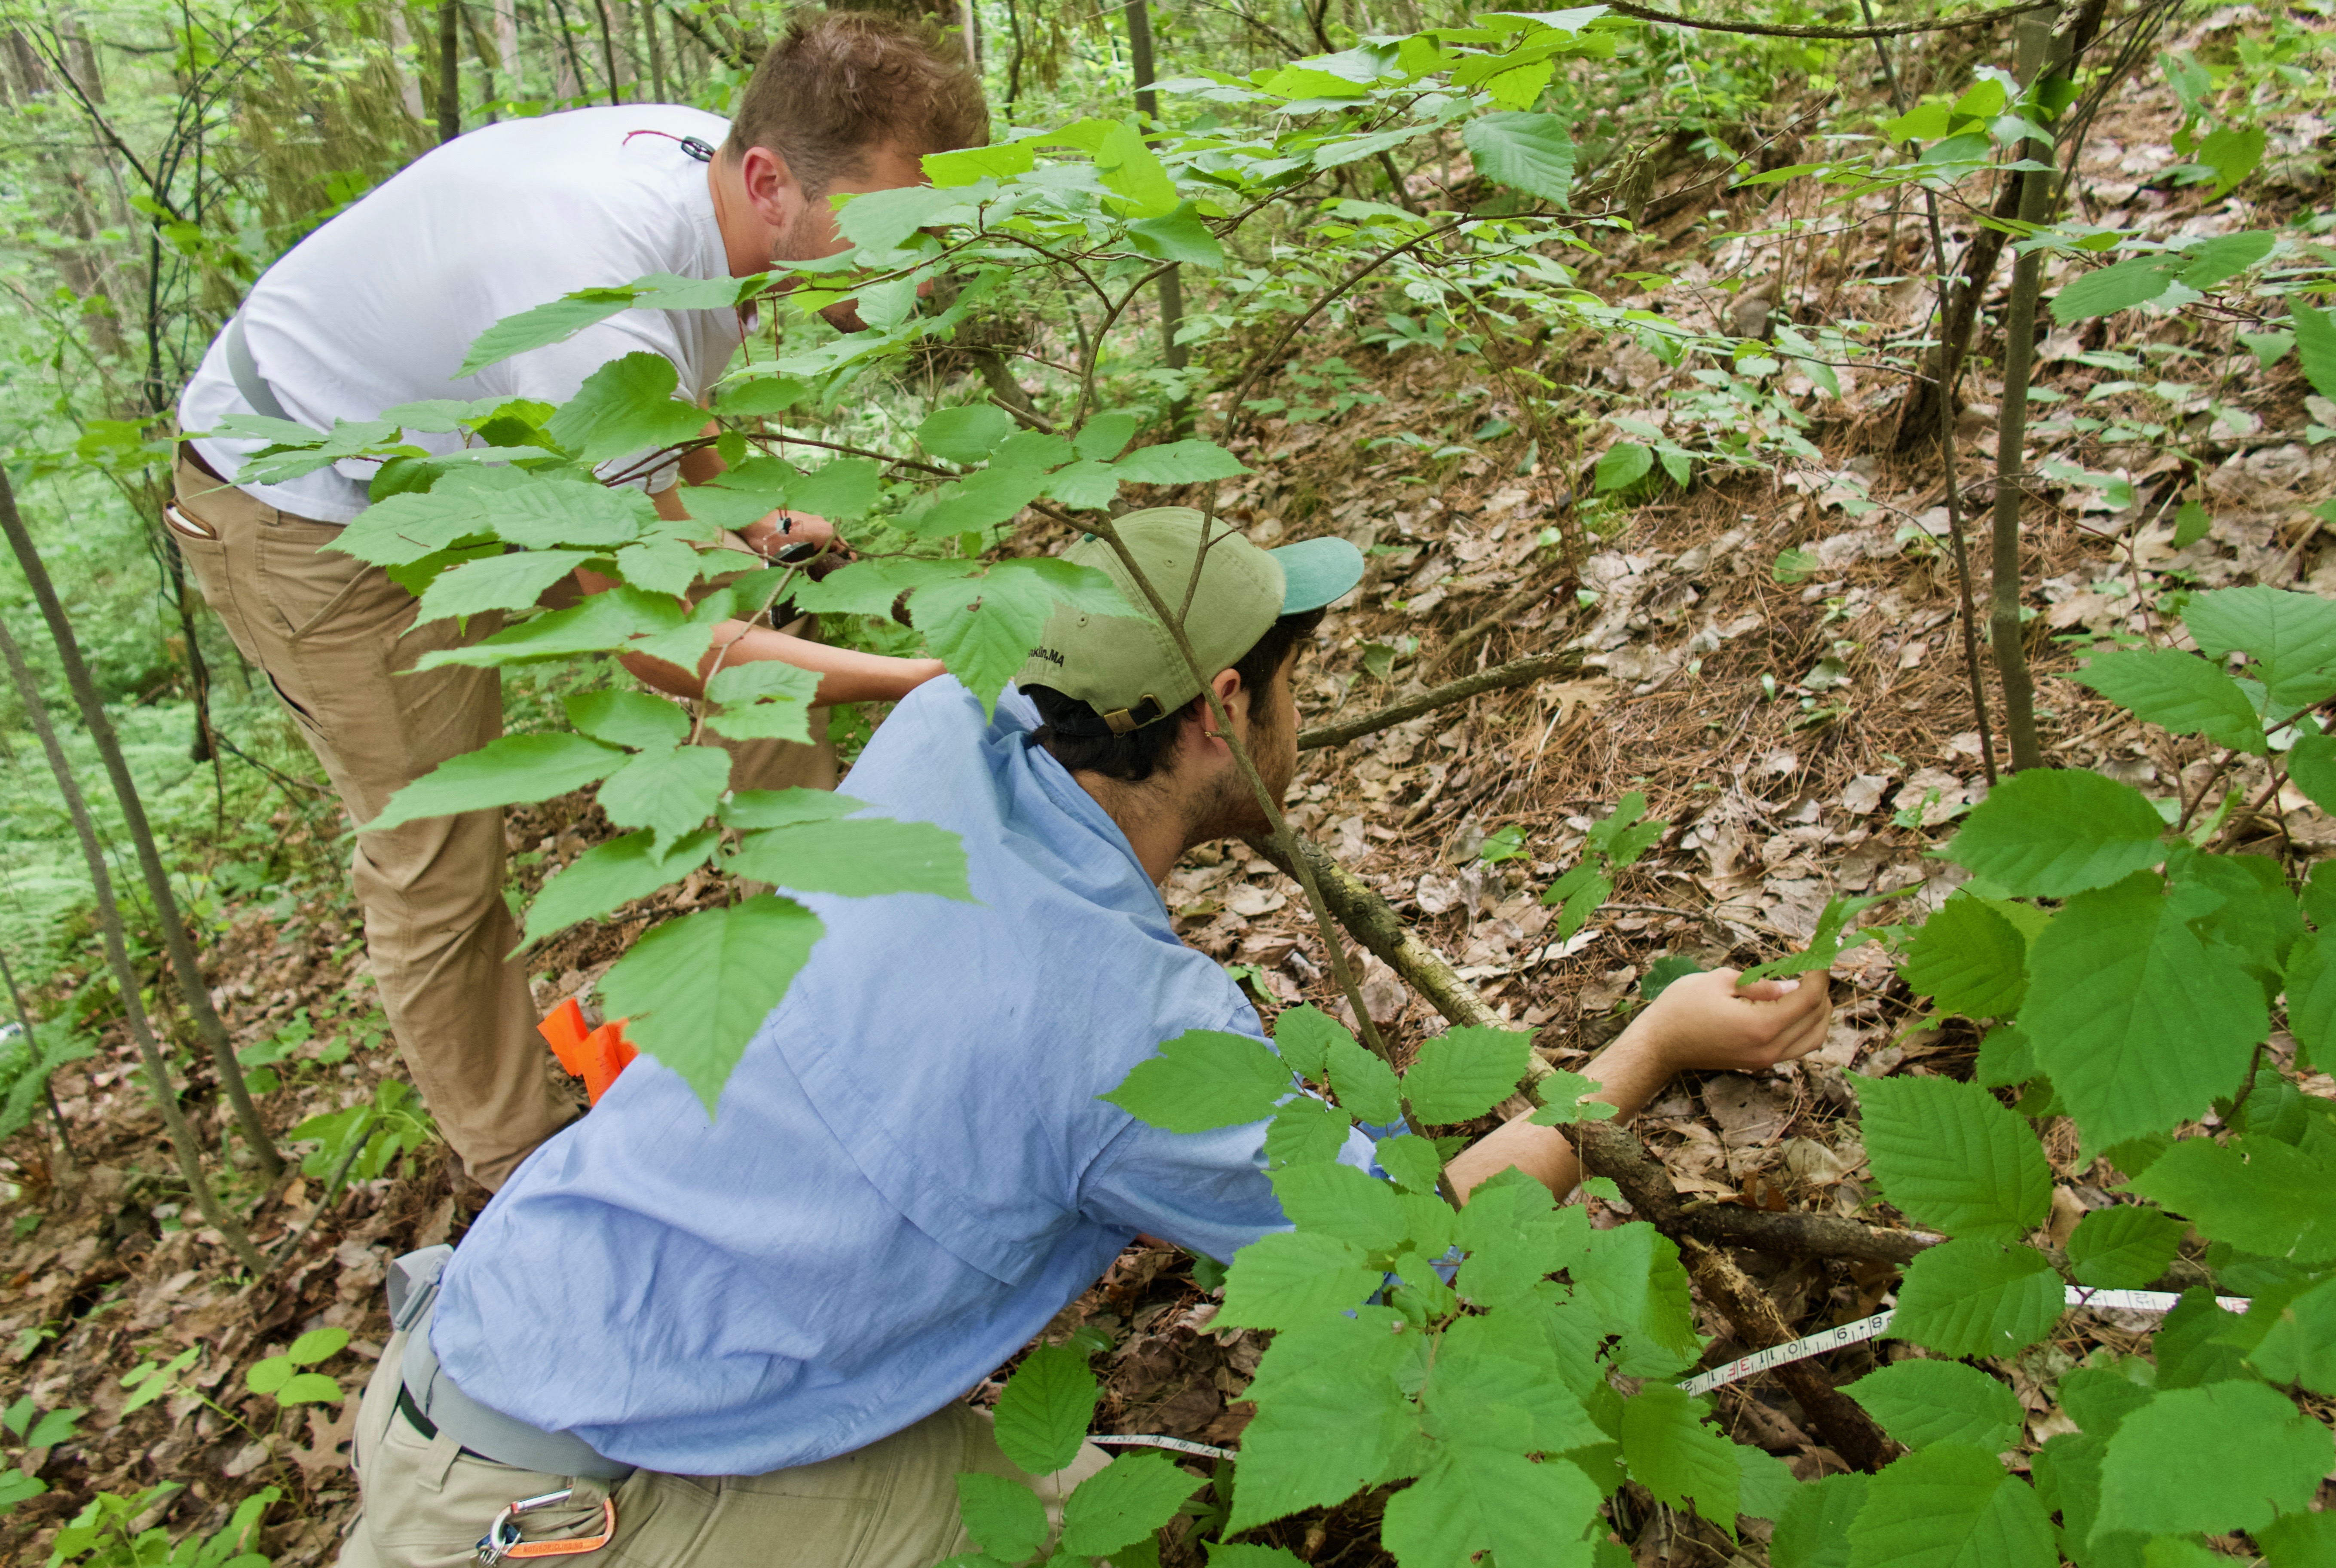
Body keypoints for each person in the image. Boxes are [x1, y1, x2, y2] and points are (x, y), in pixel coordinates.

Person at [334, 509, 1834, 1566]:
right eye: (1298, 681)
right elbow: (1415, 1242)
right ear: (1224, 709)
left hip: (500, 1338)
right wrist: (1647, 1051)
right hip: (565, 1509)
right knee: (1068, 1535)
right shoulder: (1129, 1032)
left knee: (1058, 1491)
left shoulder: (944, 734)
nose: (1313, 709)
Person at [166, 15, 986, 1190]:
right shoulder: (590, 290)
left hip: (482, 437)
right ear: (770, 183)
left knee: (763, 669)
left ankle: (835, 985)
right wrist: (919, 683)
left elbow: (653, 405)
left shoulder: (721, 191)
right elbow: (661, 648)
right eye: (891, 226)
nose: (916, 258)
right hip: (307, 505)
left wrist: (745, 518)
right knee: (436, 850)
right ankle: (527, 1175)